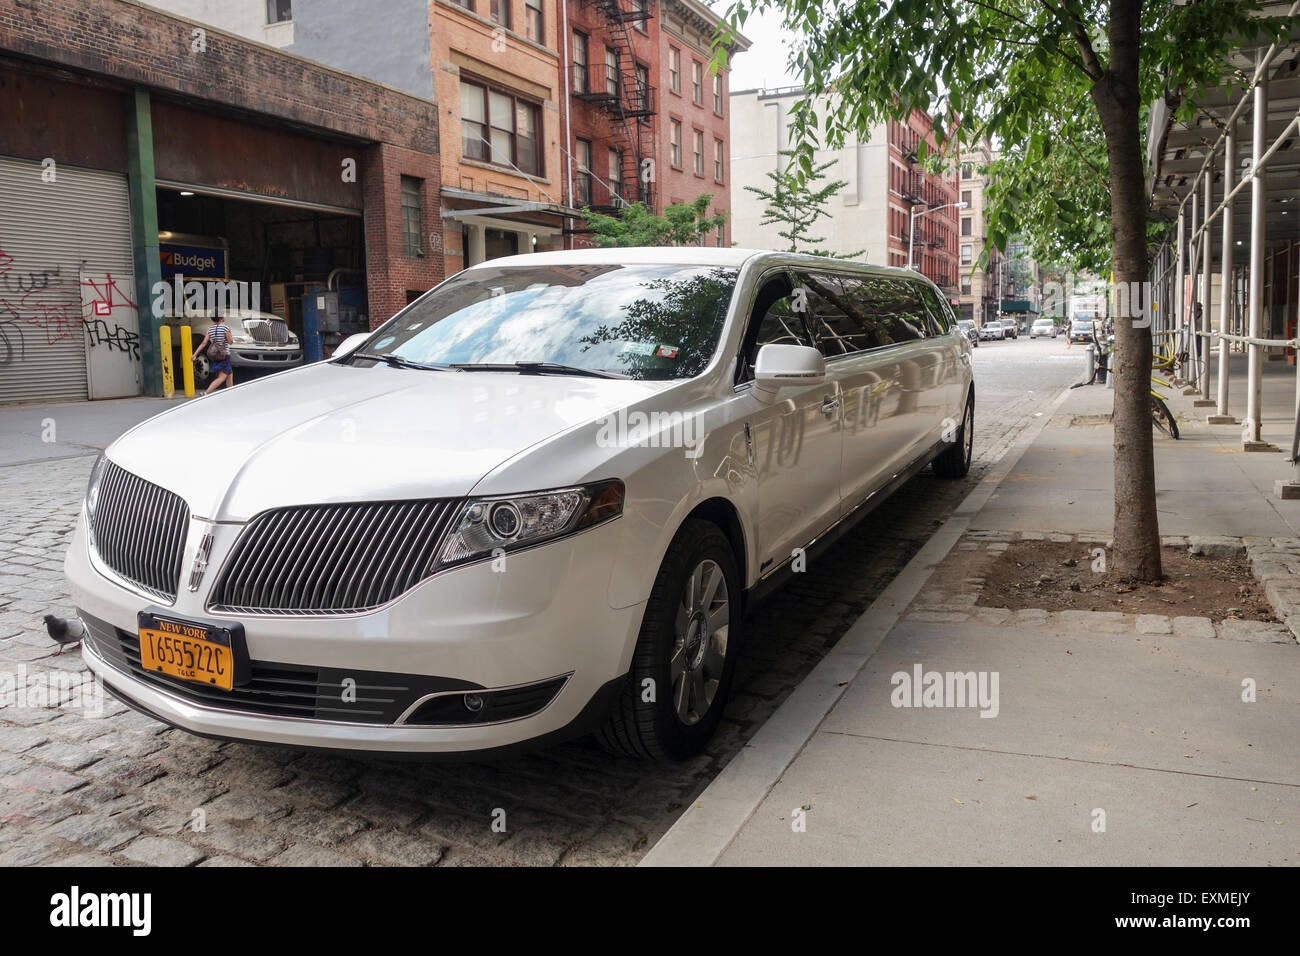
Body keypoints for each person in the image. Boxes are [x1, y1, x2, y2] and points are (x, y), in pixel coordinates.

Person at [193, 313, 234, 394]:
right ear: (221, 318)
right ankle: (206, 393)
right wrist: (230, 335)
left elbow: (204, 343)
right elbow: (230, 342)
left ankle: (231, 393)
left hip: (215, 355)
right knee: (222, 377)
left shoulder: (210, 329)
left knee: (229, 374)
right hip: (224, 355)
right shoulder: (225, 328)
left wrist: (195, 354)